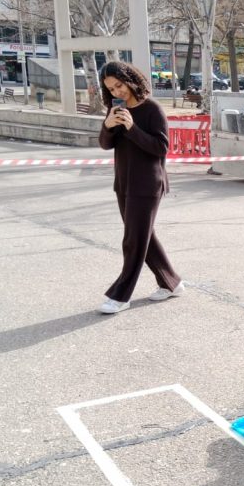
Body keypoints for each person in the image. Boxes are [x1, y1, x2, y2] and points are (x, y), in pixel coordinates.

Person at [97, 61, 183, 314]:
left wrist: (132, 128)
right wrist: (108, 127)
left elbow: (160, 148)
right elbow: (105, 145)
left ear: (131, 80)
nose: (116, 92)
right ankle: (172, 283)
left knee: (133, 240)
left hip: (147, 185)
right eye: (111, 89)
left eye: (119, 85)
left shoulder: (152, 109)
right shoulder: (116, 110)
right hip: (123, 183)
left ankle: (120, 295)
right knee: (145, 238)